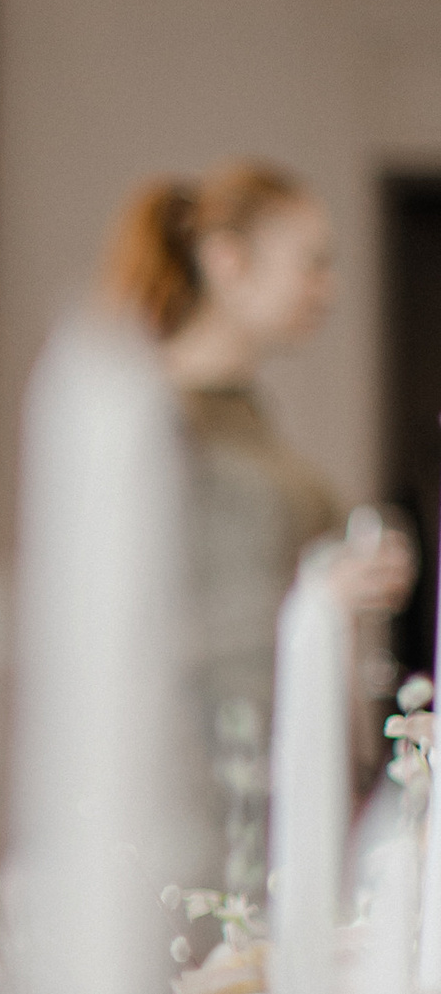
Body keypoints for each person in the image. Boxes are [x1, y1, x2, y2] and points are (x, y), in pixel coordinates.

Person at [100, 160, 410, 881]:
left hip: (284, 780)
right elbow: (171, 633)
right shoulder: (161, 420)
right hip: (210, 803)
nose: (326, 291)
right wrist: (322, 592)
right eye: (312, 264)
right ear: (227, 260)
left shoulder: (246, 421)